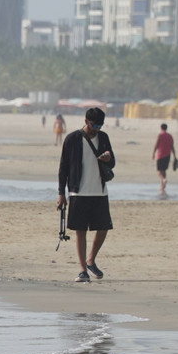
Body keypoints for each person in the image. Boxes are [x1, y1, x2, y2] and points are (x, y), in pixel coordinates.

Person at [57, 107, 115, 283]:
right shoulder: (72, 139)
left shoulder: (103, 137)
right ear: (85, 121)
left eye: (100, 124)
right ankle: (82, 269)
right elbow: (63, 168)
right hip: (78, 191)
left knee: (104, 228)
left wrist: (108, 158)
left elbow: (112, 162)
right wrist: (61, 193)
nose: (97, 128)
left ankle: (91, 260)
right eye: (94, 124)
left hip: (99, 191)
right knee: (80, 231)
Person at [152, 122, 176, 193]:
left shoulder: (160, 135)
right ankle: (162, 187)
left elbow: (156, 145)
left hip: (160, 155)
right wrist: (174, 156)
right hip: (167, 155)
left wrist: (153, 153)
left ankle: (163, 180)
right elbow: (172, 146)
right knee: (164, 170)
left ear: (161, 128)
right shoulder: (170, 136)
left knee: (159, 171)